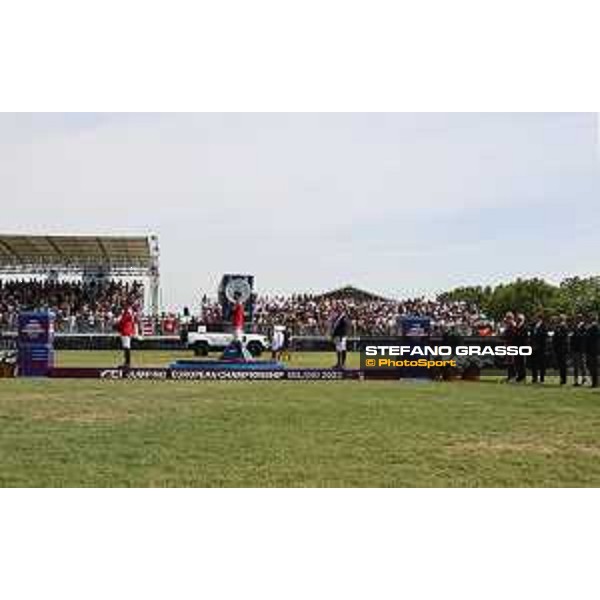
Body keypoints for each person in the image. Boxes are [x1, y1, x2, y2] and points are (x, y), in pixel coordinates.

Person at [529, 313, 548, 383]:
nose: (535, 319)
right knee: (534, 363)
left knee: (541, 363)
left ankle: (542, 378)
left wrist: (539, 344)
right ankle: (534, 378)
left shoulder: (543, 326)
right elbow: (531, 336)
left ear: (540, 318)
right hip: (533, 347)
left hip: (541, 347)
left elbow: (544, 336)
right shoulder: (533, 326)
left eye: (536, 318)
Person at [116, 304, 136, 369]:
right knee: (126, 347)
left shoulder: (127, 313)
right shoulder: (129, 313)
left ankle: (127, 363)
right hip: (127, 331)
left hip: (125, 331)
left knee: (126, 347)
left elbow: (123, 321)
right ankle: (127, 363)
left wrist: (117, 325)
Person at [331, 305, 350, 369]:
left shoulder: (343, 317)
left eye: (340, 309)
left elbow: (344, 327)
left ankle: (343, 364)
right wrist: (333, 335)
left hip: (341, 336)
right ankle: (339, 363)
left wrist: (342, 336)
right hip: (337, 336)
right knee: (338, 349)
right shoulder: (337, 317)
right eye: (338, 309)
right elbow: (334, 327)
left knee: (343, 349)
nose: (338, 310)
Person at [552, 314, 569, 385]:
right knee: (560, 364)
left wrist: (557, 332)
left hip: (562, 348)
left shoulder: (564, 326)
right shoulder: (558, 326)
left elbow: (563, 337)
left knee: (563, 364)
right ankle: (562, 378)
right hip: (558, 348)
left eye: (559, 318)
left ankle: (564, 379)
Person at [571, 315, 588, 387]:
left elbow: (584, 337)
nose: (576, 320)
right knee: (575, 366)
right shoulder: (574, 327)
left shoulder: (584, 327)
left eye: (577, 318)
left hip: (581, 349)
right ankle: (576, 380)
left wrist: (577, 332)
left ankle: (584, 378)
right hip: (575, 349)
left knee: (582, 365)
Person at [585, 313, 599, 388]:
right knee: (590, 366)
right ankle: (594, 382)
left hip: (593, 350)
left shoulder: (595, 327)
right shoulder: (590, 327)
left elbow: (595, 337)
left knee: (593, 367)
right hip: (589, 349)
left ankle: (595, 382)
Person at [502, 312, 517, 382]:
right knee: (509, 361)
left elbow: (512, 335)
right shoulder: (509, 325)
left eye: (507, 318)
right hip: (508, 344)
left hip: (512, 344)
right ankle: (509, 376)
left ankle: (513, 376)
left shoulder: (513, 325)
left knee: (512, 361)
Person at [513, 313, 528, 382]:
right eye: (517, 319)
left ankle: (523, 376)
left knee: (522, 362)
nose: (518, 320)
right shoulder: (516, 327)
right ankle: (519, 375)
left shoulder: (524, 327)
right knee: (517, 362)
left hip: (522, 346)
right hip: (516, 346)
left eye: (519, 319)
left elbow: (524, 337)